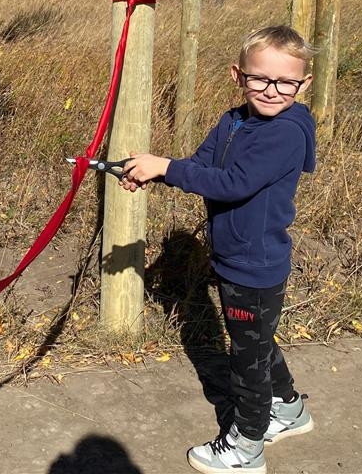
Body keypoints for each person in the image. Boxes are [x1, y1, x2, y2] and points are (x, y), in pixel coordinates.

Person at [120, 25, 318, 474]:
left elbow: (233, 184)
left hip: (255, 264)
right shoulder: (233, 121)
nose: (271, 90)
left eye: (285, 82)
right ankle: (289, 409)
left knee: (246, 361)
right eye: (259, 78)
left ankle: (247, 447)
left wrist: (165, 167)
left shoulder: (284, 133)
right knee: (256, 340)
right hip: (233, 258)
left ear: (304, 84)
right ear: (238, 75)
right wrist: (153, 171)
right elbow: (200, 166)